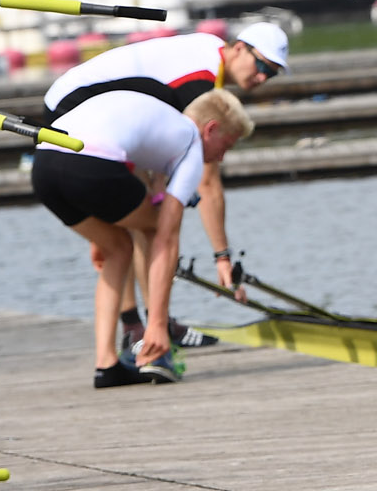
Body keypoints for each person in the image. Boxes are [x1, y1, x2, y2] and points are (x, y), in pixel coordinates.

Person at [43, 20, 289, 342]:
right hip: (74, 106)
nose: (262, 78)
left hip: (83, 110)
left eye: (271, 74)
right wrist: (222, 257)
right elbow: (208, 183)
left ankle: (142, 325)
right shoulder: (200, 82)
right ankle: (151, 326)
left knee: (146, 213)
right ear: (239, 47)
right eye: (261, 67)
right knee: (151, 220)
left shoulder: (207, 53)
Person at [30, 88, 251, 384]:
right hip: (91, 164)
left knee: (118, 247)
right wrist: (159, 323)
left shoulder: (159, 121)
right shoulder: (190, 145)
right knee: (158, 229)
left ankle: (107, 366)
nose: (222, 157)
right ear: (210, 129)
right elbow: (166, 237)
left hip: (44, 165)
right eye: (227, 145)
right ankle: (156, 333)